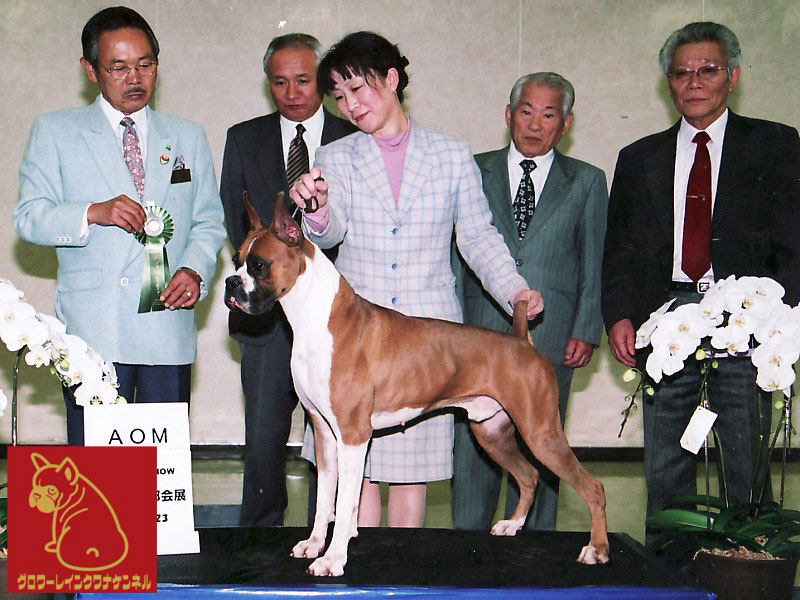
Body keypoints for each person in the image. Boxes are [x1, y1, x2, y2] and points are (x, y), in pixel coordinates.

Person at [289, 31, 543, 528]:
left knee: (412, 476)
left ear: (391, 79)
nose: (349, 105)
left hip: (427, 343)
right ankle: (353, 560)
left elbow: (478, 238)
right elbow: (331, 231)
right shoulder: (335, 156)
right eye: (339, 96)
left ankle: (401, 567)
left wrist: (515, 289)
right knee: (355, 471)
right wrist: (315, 210)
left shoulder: (452, 154)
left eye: (357, 89)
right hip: (357, 336)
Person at [601, 21, 800, 539]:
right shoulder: (638, 157)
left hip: (745, 324)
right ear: (667, 82)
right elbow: (618, 249)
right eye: (681, 73)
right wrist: (618, 315)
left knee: (744, 464)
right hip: (664, 322)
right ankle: (668, 569)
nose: (693, 82)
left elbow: (793, 238)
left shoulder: (775, 144)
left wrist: (778, 321)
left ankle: (748, 565)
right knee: (665, 465)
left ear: (732, 76)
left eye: (707, 70)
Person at [13, 6, 225, 445]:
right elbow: (29, 217)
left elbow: (208, 221)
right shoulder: (55, 131)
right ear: (90, 70)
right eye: (119, 67)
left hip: (166, 325)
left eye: (146, 64)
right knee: (97, 472)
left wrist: (194, 270)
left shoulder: (187, 136)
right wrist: (92, 211)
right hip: (94, 333)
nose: (135, 78)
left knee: (162, 470)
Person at [452, 73, 608, 532]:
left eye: (548, 114)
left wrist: (586, 328)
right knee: (475, 443)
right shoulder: (472, 169)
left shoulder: (586, 181)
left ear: (566, 123)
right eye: (526, 111)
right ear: (508, 115)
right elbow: (454, 254)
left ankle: (538, 547)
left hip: (553, 332)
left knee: (544, 441)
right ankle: (469, 543)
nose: (535, 124)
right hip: (476, 330)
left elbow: (594, 261)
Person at [220, 33, 356, 527]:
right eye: (280, 82)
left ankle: (330, 532)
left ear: (322, 80)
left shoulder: (353, 137)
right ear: (268, 84)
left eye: (303, 80)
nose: (292, 92)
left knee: (339, 432)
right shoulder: (243, 137)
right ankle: (258, 542)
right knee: (263, 438)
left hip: (337, 319)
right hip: (266, 318)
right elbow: (237, 224)